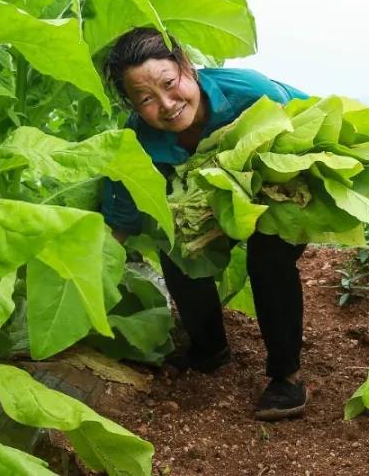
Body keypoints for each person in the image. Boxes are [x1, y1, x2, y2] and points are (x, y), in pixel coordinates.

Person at [100, 27, 310, 421]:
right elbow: (120, 221)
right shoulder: (136, 140)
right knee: (176, 247)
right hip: (215, 201)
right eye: (145, 99)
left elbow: (300, 155)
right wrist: (90, 282)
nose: (166, 104)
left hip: (284, 188)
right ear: (130, 103)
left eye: (169, 83)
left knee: (268, 260)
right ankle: (209, 349)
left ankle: (288, 377)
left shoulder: (251, 94)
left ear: (187, 67)